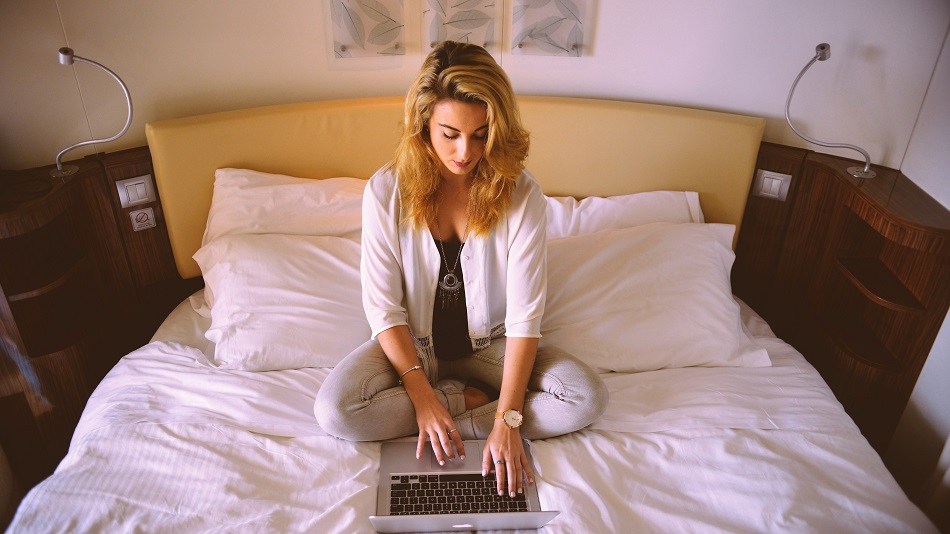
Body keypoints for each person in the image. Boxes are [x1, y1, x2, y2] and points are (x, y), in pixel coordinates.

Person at [315, 41, 607, 500]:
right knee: (337, 412)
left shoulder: (522, 195)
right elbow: (383, 308)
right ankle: (464, 403)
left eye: (480, 134)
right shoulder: (385, 190)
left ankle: (480, 415)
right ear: (422, 124)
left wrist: (508, 422)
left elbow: (526, 318)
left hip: (492, 346)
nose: (465, 151)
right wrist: (424, 397)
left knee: (585, 398)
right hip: (413, 350)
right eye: (449, 133)